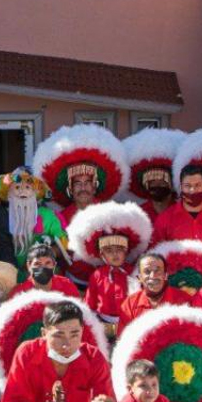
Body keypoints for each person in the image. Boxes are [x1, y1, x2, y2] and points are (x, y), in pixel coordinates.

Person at [32, 124, 129, 291]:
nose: (83, 188)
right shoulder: (59, 217)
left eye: (87, 183)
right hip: (71, 283)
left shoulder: (111, 213)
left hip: (107, 284)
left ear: (95, 186)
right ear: (70, 188)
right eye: (78, 183)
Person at [66, 202, 152, 335]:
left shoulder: (135, 272)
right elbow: (90, 305)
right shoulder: (97, 275)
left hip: (130, 326)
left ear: (126, 251)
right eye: (109, 251)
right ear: (101, 254)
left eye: (119, 250)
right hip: (103, 328)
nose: (115, 254)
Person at [0, 167, 68, 275]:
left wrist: (44, 255)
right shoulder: (2, 216)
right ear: (9, 194)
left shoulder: (48, 216)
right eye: (17, 187)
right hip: (11, 277)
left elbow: (64, 242)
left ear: (35, 192)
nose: (22, 191)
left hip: (43, 276)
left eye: (27, 187)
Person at [117, 253, 190, 334]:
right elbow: (124, 340)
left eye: (157, 270)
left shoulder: (184, 300)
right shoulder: (129, 304)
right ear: (139, 278)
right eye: (147, 272)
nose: (153, 276)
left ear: (165, 275)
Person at [124, 128, 182, 223]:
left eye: (162, 182)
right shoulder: (138, 214)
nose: (157, 185)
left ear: (172, 184)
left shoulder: (182, 212)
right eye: (152, 183)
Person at [8, 243, 81, 299]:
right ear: (29, 266)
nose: (43, 268)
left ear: (54, 265)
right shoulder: (18, 294)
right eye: (37, 264)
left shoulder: (67, 285)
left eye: (47, 263)